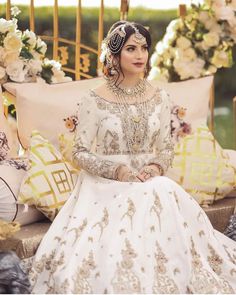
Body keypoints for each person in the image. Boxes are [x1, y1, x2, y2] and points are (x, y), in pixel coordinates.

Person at [30, 21, 236, 293]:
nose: (140, 55)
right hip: (104, 185)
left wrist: (154, 166)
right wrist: (118, 172)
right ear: (114, 55)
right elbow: (80, 151)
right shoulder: (95, 98)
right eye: (131, 49)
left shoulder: (159, 96)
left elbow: (165, 147)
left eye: (144, 48)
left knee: (162, 187)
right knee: (150, 193)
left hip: (148, 180)